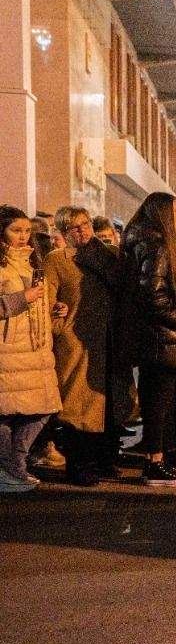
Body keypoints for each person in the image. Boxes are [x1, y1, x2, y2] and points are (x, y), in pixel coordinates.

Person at [44, 206, 127, 485]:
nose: (83, 231)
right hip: (76, 342)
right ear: (63, 232)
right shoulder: (56, 260)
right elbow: (47, 302)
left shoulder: (109, 255)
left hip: (109, 339)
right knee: (77, 406)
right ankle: (79, 464)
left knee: (111, 402)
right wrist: (59, 325)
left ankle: (106, 458)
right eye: (74, 227)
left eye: (86, 224)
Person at [124, 191, 176, 487]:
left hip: (152, 334)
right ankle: (155, 463)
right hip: (161, 336)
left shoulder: (141, 241)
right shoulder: (159, 245)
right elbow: (153, 293)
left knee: (157, 399)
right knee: (159, 401)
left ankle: (158, 459)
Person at [0, 205, 64, 492]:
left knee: (43, 409)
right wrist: (21, 298)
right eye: (16, 230)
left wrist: (54, 311)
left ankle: (14, 464)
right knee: (5, 413)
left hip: (36, 348)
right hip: (7, 350)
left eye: (27, 230)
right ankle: (9, 469)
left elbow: (39, 305)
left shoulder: (32, 262)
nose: (24, 236)